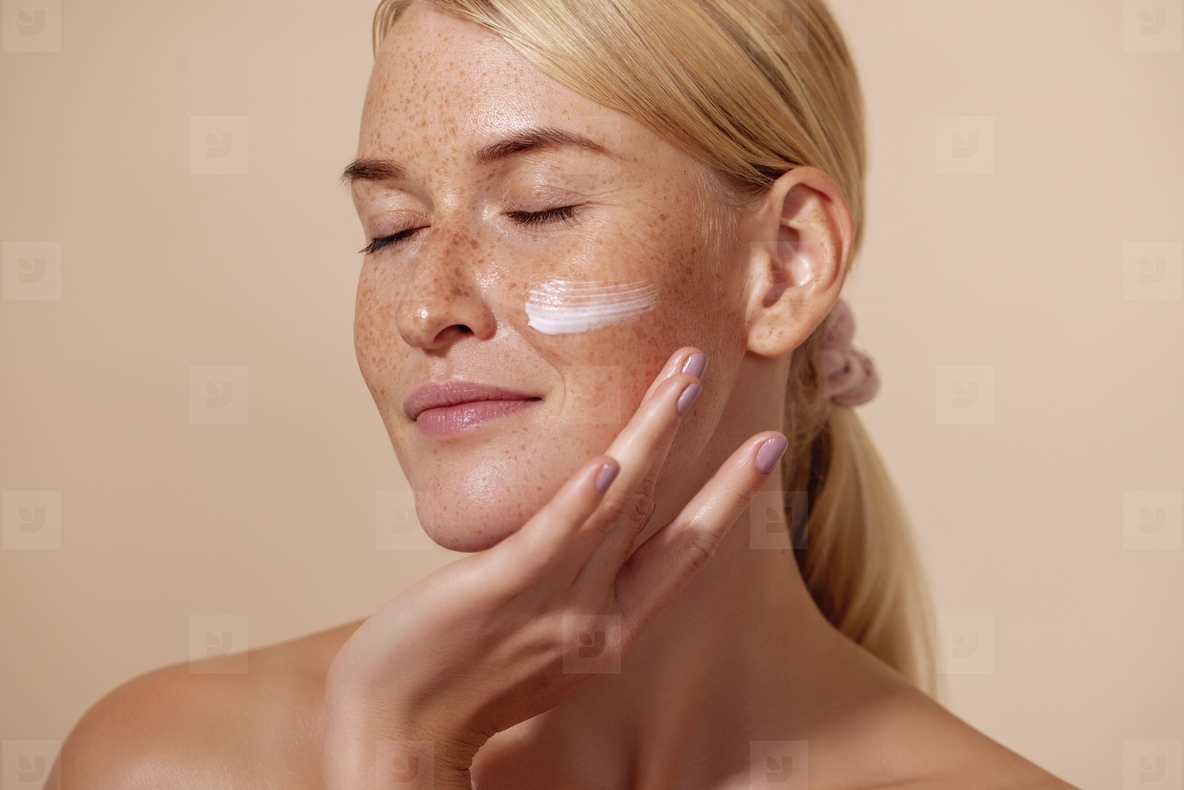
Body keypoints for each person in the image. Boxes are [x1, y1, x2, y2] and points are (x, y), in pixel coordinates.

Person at [49, 0, 1078, 787]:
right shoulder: (172, 762)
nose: (426, 305)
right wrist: (398, 750)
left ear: (783, 265)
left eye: (536, 208)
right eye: (391, 227)